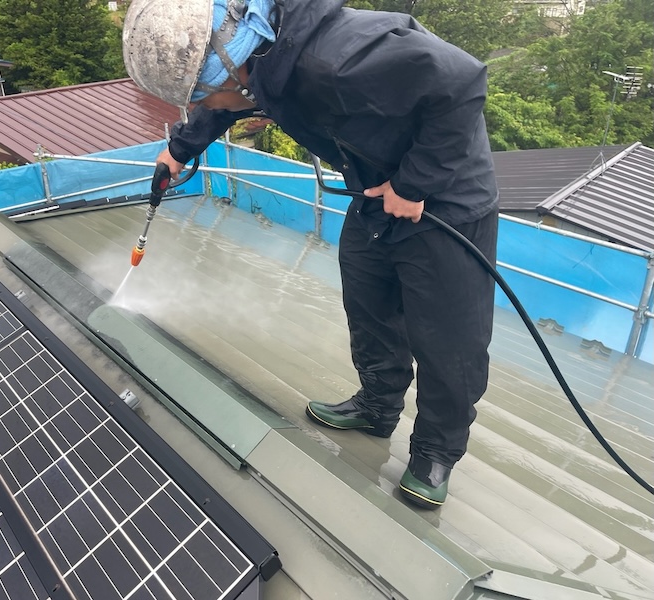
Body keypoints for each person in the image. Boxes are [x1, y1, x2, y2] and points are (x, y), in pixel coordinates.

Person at [123, 0, 499, 509]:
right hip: (373, 188)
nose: (207, 106)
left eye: (205, 96)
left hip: (443, 199)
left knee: (447, 338)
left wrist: (414, 185)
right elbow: (234, 99)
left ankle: (435, 452)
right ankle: (377, 405)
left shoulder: (339, 60)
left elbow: (462, 80)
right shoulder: (266, 59)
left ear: (236, 62)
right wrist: (182, 147)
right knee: (368, 303)